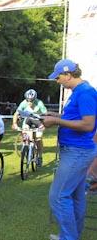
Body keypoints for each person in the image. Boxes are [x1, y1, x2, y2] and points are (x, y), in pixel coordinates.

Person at [43, 59, 97, 240]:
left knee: (57, 197)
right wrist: (55, 115)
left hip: (77, 151)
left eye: (58, 77)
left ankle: (68, 238)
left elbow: (88, 125)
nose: (57, 81)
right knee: (75, 195)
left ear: (68, 75)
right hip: (77, 150)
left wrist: (56, 121)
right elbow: (75, 117)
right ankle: (73, 235)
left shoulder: (86, 92)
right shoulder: (78, 91)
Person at [12, 89, 47, 167]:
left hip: (38, 122)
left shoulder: (39, 103)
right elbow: (16, 113)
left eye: (31, 100)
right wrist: (14, 124)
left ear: (35, 99)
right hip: (27, 121)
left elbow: (45, 114)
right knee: (25, 134)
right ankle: (26, 147)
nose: (29, 102)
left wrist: (43, 124)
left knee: (38, 138)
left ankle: (40, 156)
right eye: (28, 100)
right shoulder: (23, 103)